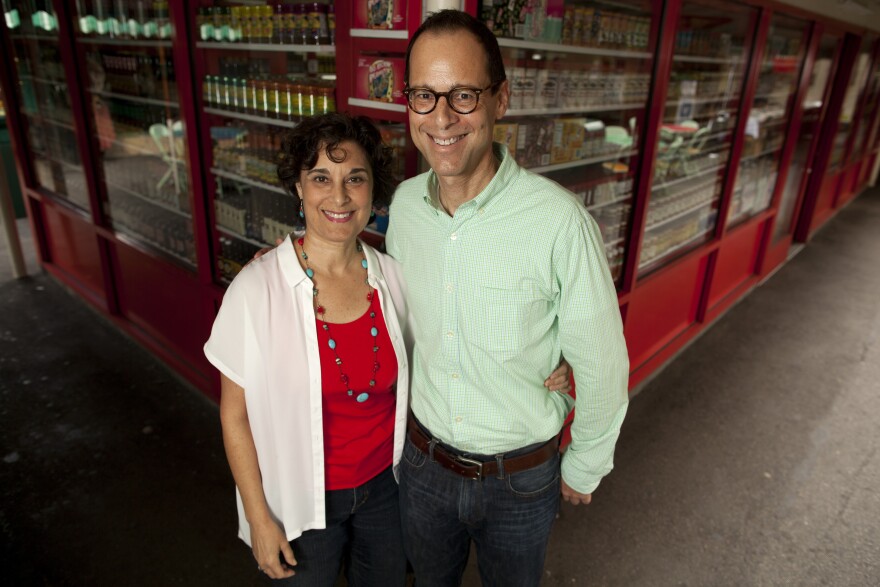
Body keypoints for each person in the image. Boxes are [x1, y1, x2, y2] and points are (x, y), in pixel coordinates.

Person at [385, 10, 630, 587]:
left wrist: (586, 463)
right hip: (421, 464)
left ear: (501, 99)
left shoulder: (558, 221)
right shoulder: (403, 206)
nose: (441, 117)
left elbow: (602, 362)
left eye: (463, 95)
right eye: (423, 95)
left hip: (520, 480)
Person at [204, 113, 412, 585]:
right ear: (299, 187)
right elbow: (234, 416)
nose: (339, 197)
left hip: (386, 490)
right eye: (321, 178)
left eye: (354, 179)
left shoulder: (393, 277)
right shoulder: (257, 288)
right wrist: (258, 517)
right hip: (300, 502)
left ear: (371, 190)